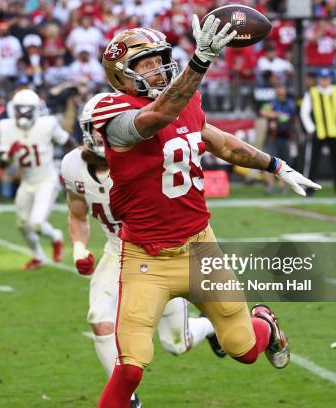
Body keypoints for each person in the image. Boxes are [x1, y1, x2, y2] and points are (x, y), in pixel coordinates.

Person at [92, 20, 321, 407]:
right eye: (146, 64)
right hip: (147, 259)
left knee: (244, 349)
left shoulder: (185, 100)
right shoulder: (112, 111)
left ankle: (265, 322)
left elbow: (219, 143)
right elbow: (153, 121)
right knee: (129, 368)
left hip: (201, 249)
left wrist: (276, 166)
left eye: (160, 60)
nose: (158, 69)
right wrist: (199, 62)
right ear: (122, 74)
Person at [62, 94, 225, 408]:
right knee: (99, 318)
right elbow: (77, 214)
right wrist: (79, 247)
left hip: (156, 251)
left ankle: (209, 327)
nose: (102, 132)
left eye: (109, 125)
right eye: (97, 126)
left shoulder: (146, 155)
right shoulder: (72, 164)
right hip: (117, 249)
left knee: (177, 343)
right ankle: (129, 400)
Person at [0, 89, 67, 269]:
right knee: (22, 224)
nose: (23, 114)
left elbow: (66, 140)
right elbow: (2, 166)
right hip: (27, 182)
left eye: (27, 110)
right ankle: (38, 256)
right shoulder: (6, 127)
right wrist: (8, 155)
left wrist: (82, 152)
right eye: (20, 109)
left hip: (47, 180)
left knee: (36, 223)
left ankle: (56, 237)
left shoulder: (48, 124)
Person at [300, 68, 336, 195]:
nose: (324, 81)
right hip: (318, 132)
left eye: (326, 78)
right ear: (318, 79)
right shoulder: (312, 92)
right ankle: (309, 188)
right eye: (322, 78)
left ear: (330, 79)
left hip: (334, 132)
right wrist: (311, 128)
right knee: (313, 162)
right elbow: (304, 112)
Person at [260, 82, 297, 193]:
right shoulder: (271, 103)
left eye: (282, 88)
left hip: (286, 136)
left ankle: (282, 186)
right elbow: (263, 112)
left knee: (284, 163)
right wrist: (276, 114)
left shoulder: (290, 104)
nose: (280, 91)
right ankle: (270, 186)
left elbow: (292, 117)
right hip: (273, 136)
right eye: (278, 88)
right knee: (270, 162)